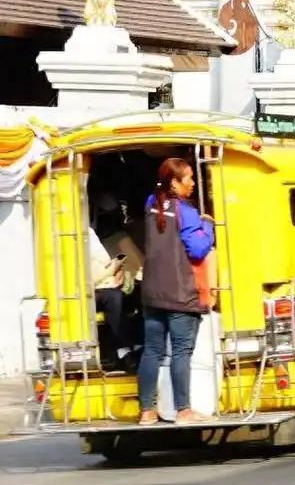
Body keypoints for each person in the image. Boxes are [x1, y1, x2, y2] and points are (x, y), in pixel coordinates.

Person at [136, 158, 214, 425]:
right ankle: (183, 410)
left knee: (152, 352)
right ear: (174, 182)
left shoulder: (150, 205)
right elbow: (197, 249)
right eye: (188, 178)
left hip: (152, 292)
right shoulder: (187, 212)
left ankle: (147, 411)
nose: (192, 183)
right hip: (181, 293)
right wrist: (208, 226)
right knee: (181, 352)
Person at [90, 226, 137, 372]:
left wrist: (117, 270)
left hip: (103, 285)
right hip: (86, 292)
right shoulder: (73, 237)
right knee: (114, 298)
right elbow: (94, 275)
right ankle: (124, 351)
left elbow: (102, 266)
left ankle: (136, 347)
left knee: (137, 293)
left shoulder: (90, 232)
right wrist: (112, 269)